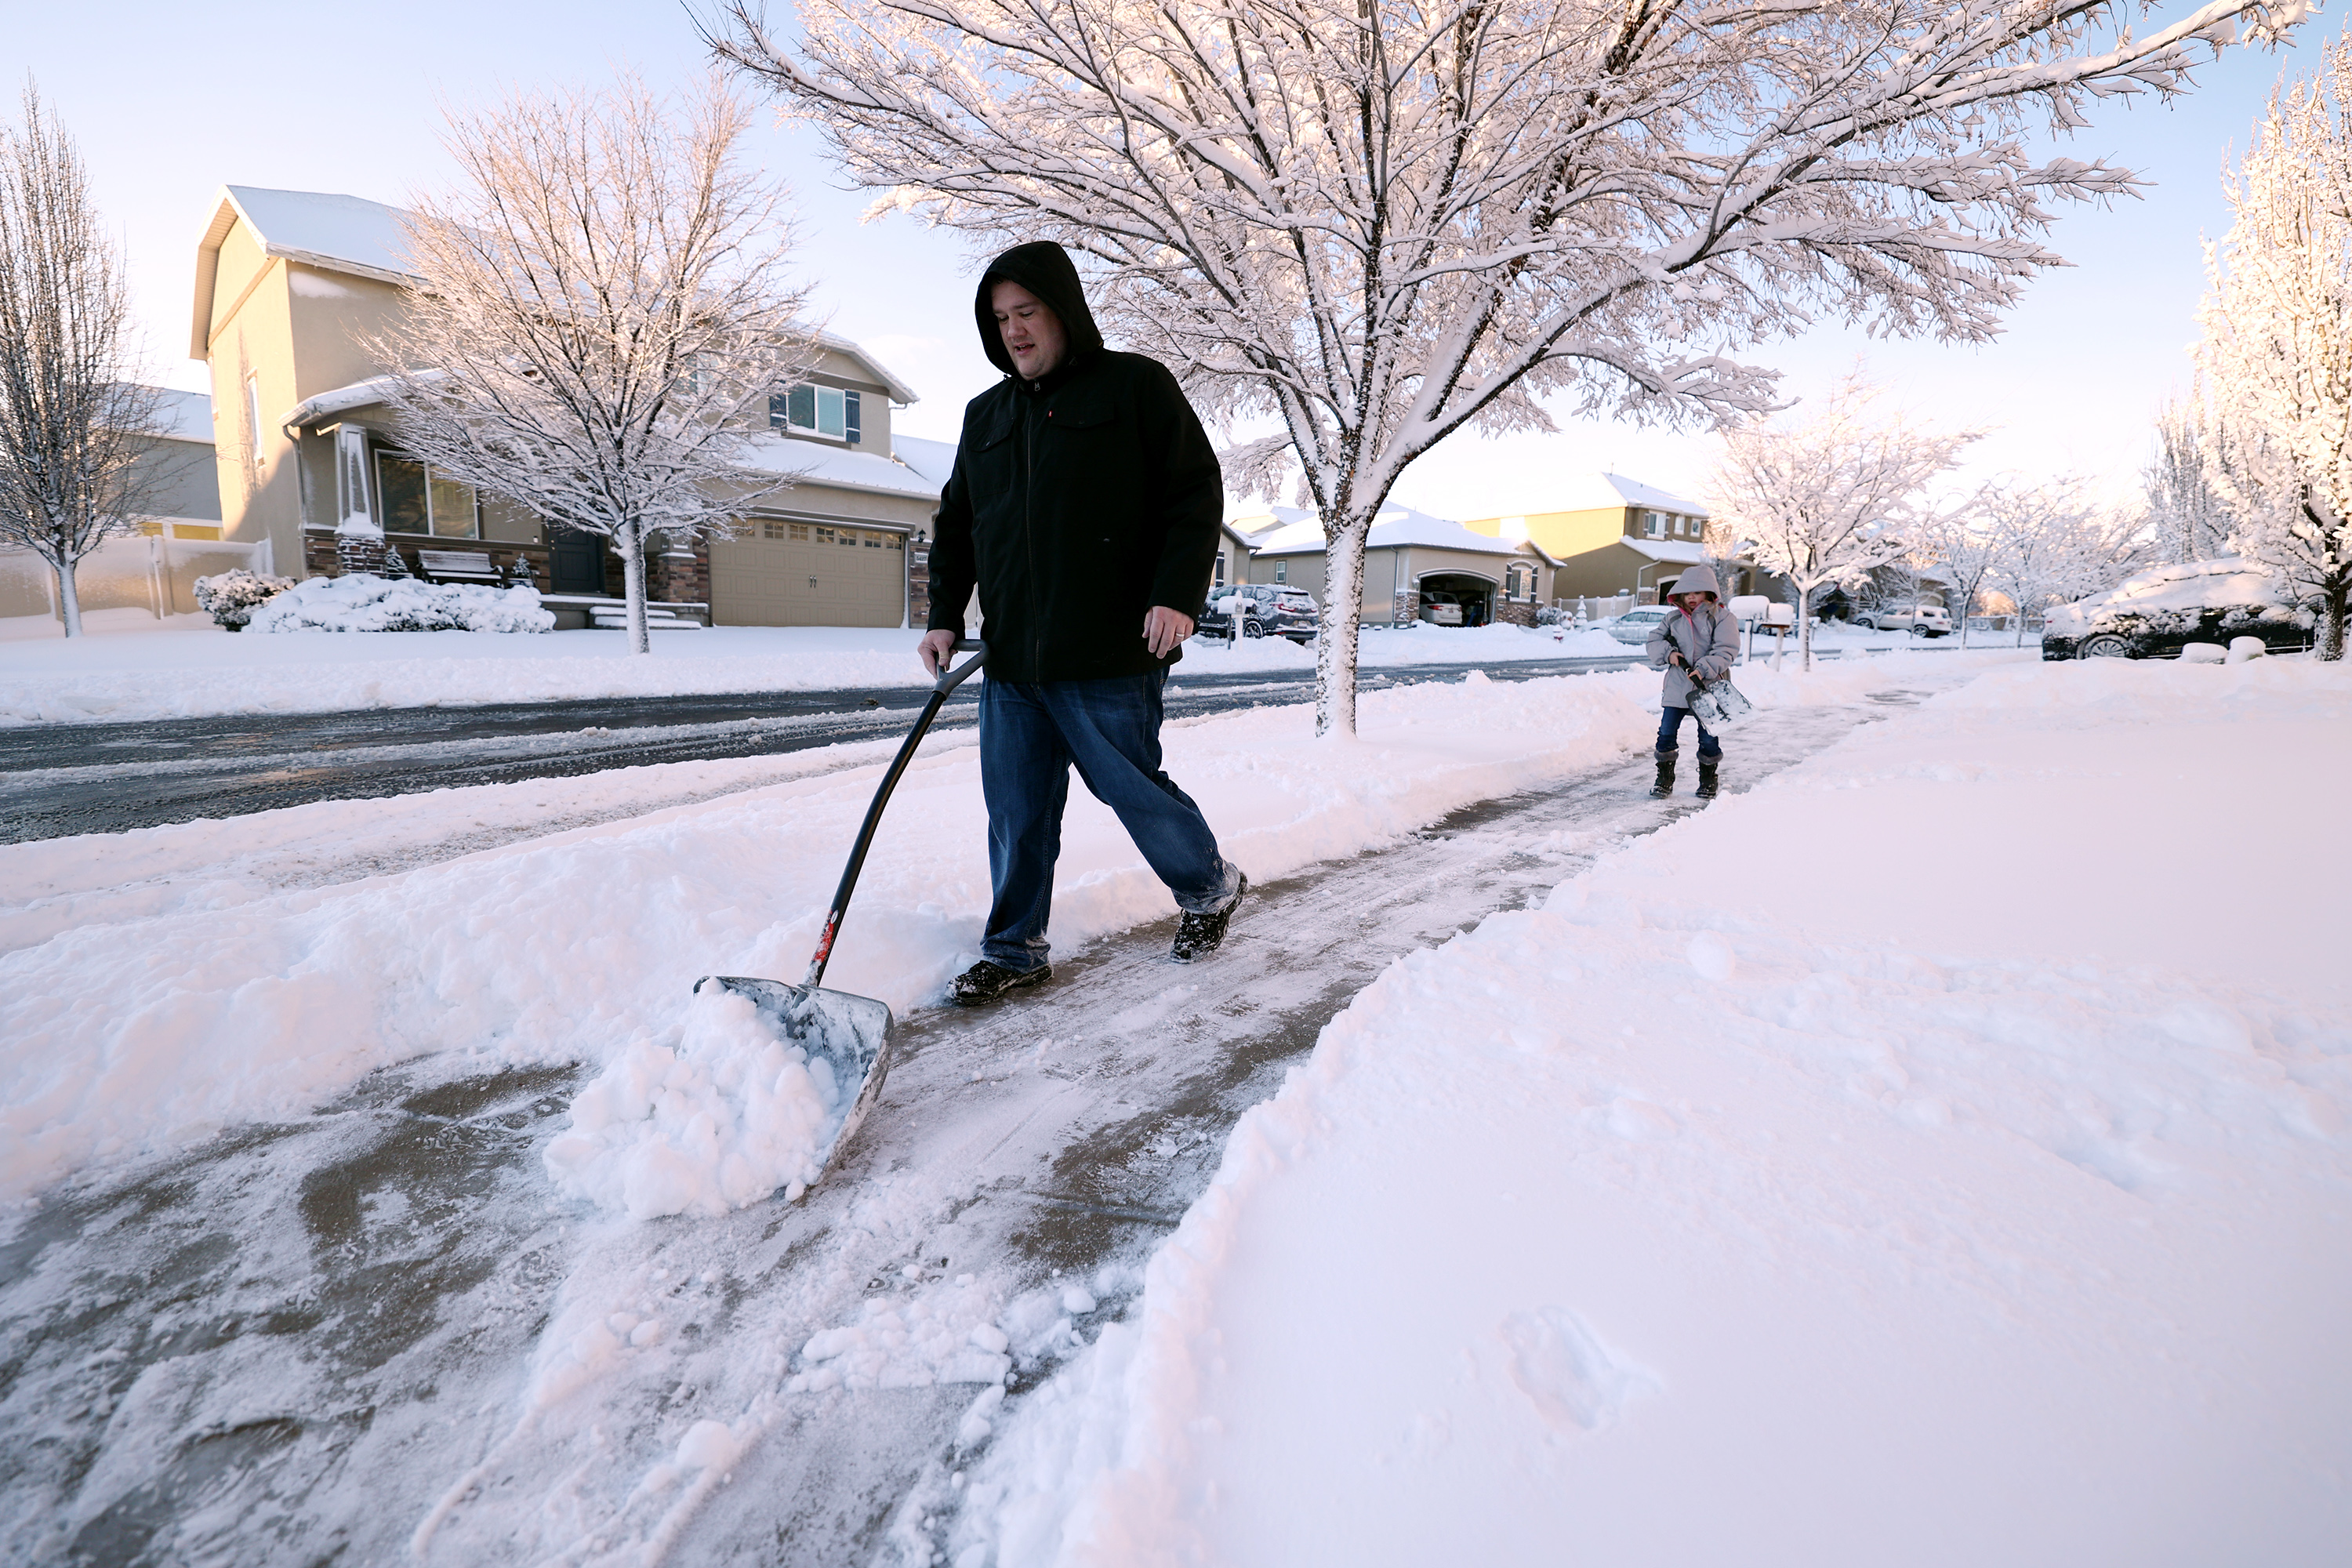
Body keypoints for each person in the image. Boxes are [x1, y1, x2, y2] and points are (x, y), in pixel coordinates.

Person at [918, 241, 1246, 1007]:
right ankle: (1015, 949)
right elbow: (957, 524)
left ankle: (1209, 887)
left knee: (1129, 787)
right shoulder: (986, 415)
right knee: (1017, 812)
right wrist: (942, 615)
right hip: (1014, 662)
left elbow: (1192, 494)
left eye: (1027, 312)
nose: (1015, 331)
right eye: (1000, 318)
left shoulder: (1134, 387)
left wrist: (1175, 594)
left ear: (1063, 309)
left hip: (1109, 651)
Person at [1644, 563, 1740, 800]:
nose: (1691, 597)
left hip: (1707, 686)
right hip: (1678, 684)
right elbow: (1654, 641)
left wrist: (1705, 668)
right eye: (1687, 593)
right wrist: (1669, 653)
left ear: (1709, 592)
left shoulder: (1722, 618)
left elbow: (1726, 649)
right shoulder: (1673, 618)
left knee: (1708, 736)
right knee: (1666, 733)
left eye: (1696, 592)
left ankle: (1708, 779)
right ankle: (1664, 779)